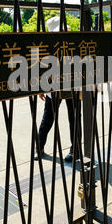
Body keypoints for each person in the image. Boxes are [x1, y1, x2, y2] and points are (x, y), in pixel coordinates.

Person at [34, 17, 79, 162]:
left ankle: (75, 149)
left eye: (65, 29)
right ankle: (39, 147)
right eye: (61, 30)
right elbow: (40, 66)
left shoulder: (73, 43)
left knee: (74, 118)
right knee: (47, 118)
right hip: (53, 87)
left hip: (72, 86)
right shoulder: (47, 46)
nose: (64, 32)